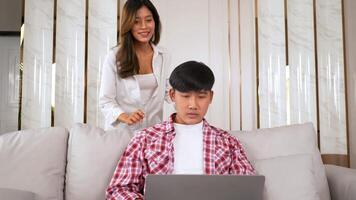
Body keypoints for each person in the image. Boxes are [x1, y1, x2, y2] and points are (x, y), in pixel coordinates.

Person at [106, 61, 255, 200]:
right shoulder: (145, 139)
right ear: (172, 95)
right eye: (185, 96)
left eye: (201, 96)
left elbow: (249, 189)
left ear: (210, 97)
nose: (193, 105)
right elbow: (118, 190)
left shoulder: (228, 142)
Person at [99, 0, 170, 131]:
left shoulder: (163, 55)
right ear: (128, 24)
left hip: (152, 133)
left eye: (148, 20)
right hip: (122, 133)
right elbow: (106, 101)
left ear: (155, 22)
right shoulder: (115, 56)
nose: (144, 26)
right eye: (136, 21)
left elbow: (168, 92)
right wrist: (124, 116)